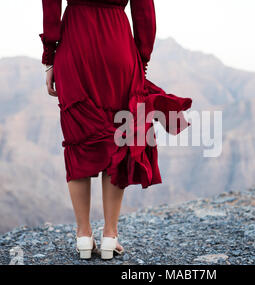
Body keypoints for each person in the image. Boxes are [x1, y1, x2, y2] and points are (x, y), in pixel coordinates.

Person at [39, 0, 192, 260]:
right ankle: (110, 235)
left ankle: (83, 236)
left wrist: (50, 57)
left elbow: (50, 5)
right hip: (118, 48)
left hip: (75, 45)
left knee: (79, 141)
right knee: (118, 140)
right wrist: (141, 57)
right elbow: (144, 12)